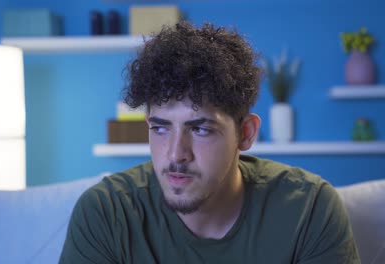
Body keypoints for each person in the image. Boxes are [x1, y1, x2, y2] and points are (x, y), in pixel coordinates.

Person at [60, 21, 360, 263]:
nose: (176, 154)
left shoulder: (308, 209)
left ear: (245, 134)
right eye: (160, 128)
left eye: (201, 130)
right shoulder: (107, 212)